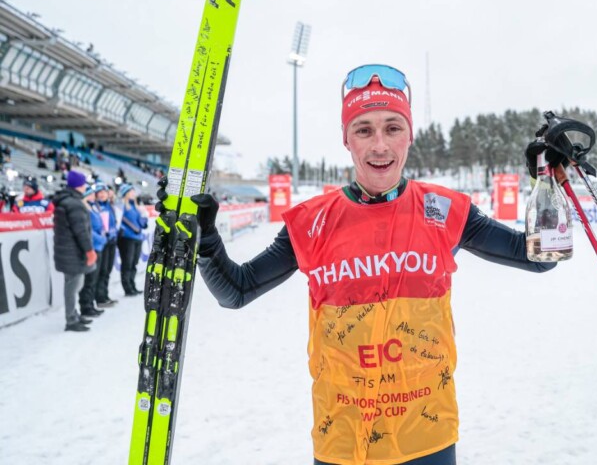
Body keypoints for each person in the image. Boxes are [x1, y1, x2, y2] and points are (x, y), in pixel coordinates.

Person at [188, 65, 557, 465]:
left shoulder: (445, 210)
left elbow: (539, 256)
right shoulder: (312, 221)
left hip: (426, 437)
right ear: (346, 139)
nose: (379, 145)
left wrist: (550, 180)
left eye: (393, 128)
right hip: (344, 441)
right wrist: (206, 240)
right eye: (363, 130)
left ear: (409, 136)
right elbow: (237, 291)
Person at [52, 170, 98, 332]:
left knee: (73, 285)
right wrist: (89, 250)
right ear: (79, 185)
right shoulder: (74, 204)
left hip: (68, 251)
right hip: (72, 252)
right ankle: (71, 320)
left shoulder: (68, 201)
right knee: (73, 287)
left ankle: (74, 314)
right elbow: (81, 231)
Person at [78, 184, 107, 318]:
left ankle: (91, 304)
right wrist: (101, 239)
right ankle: (86, 306)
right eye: (90, 193)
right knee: (89, 279)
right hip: (93, 247)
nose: (93, 195)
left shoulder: (92, 207)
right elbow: (88, 231)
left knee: (93, 278)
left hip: (98, 246)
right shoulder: (85, 209)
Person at [118, 183, 147, 296]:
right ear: (125, 194)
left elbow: (141, 222)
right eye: (130, 192)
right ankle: (127, 288)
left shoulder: (135, 206)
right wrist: (133, 228)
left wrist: (143, 218)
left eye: (133, 192)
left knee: (134, 263)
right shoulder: (122, 206)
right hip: (127, 239)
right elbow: (121, 221)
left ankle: (132, 285)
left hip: (137, 238)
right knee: (127, 263)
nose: (133, 194)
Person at [94, 183, 120, 307]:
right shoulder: (96, 207)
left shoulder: (110, 206)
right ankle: (99, 297)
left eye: (104, 192)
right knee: (102, 270)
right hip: (102, 243)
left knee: (108, 270)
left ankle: (104, 295)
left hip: (111, 242)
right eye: (99, 192)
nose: (102, 194)